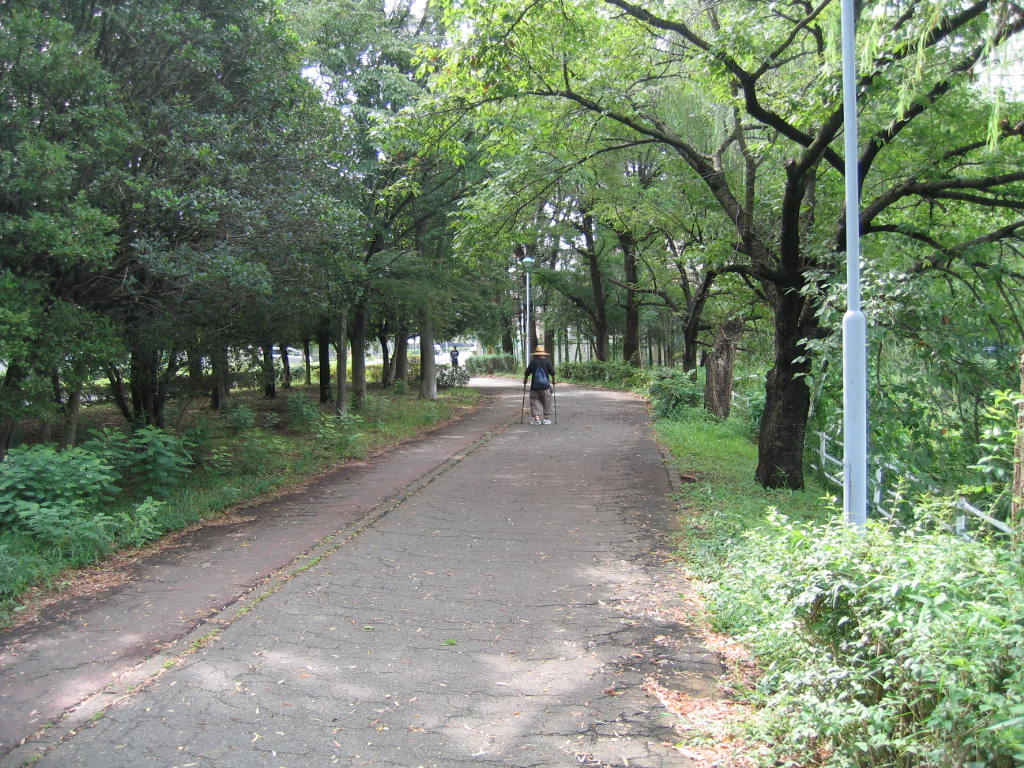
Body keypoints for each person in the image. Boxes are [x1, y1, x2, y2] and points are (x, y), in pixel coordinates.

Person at [523, 345, 556, 425]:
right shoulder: (547, 362)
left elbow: (527, 372)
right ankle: (546, 419)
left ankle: (537, 420)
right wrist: (554, 381)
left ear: (535, 354)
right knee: (547, 402)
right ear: (543, 354)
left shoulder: (533, 362)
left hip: (535, 387)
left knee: (534, 402)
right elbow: (553, 372)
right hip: (546, 387)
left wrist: (525, 379)